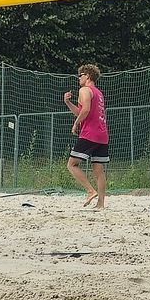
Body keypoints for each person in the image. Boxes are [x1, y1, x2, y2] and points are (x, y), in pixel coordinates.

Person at [63, 64, 109, 208]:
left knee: (71, 165)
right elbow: (82, 111)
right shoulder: (98, 93)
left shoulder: (84, 90)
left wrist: (76, 124)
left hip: (89, 133)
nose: (79, 78)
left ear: (87, 76)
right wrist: (68, 102)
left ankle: (90, 191)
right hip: (102, 134)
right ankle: (100, 204)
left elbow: (86, 111)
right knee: (98, 170)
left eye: (80, 75)